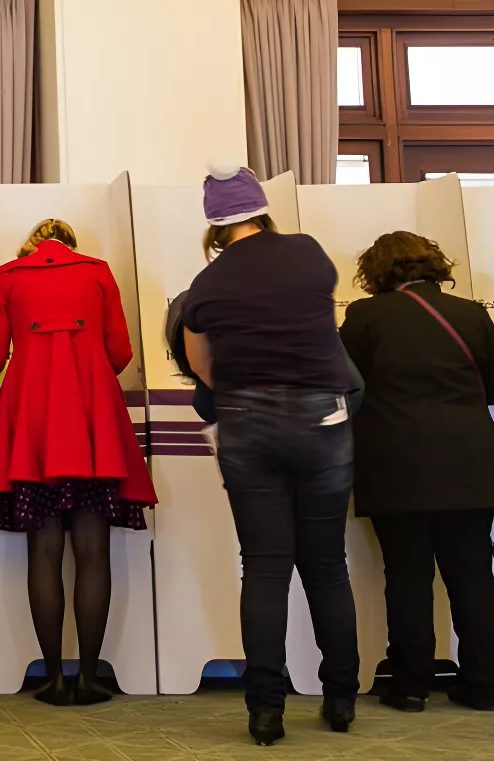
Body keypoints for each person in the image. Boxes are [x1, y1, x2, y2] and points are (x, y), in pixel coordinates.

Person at [180, 167, 358, 745]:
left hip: (246, 422)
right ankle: (340, 699)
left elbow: (205, 369)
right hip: (320, 417)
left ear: (213, 225)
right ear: (261, 209)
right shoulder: (308, 254)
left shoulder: (206, 286)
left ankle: (264, 711)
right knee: (327, 565)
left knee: (263, 567)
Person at [342, 230, 494, 714]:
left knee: (406, 575)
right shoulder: (470, 313)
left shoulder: (364, 317)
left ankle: (409, 685)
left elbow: (343, 386)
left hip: (395, 464)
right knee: (472, 575)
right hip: (469, 462)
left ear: (377, 272)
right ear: (433, 266)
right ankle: (484, 684)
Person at [0, 220, 155, 706]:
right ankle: (91, 677)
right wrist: (88, 368)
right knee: (94, 550)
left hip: (32, 419)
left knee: (45, 549)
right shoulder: (98, 272)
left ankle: (54, 677)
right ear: (71, 245)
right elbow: (120, 351)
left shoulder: (7, 276)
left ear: (30, 245)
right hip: (92, 416)